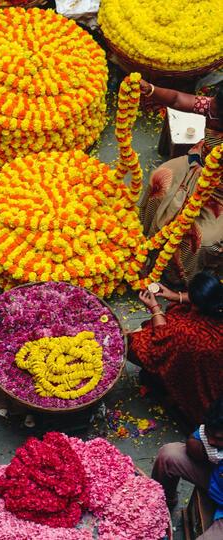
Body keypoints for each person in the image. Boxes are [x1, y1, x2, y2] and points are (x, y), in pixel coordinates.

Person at [139, 80, 223, 287]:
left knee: (202, 239)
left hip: (219, 195)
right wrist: (150, 89)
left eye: (218, 110)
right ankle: (145, 243)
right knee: (160, 178)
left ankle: (177, 276)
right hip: (196, 165)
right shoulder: (212, 107)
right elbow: (177, 99)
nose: (212, 108)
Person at [128, 272, 223, 425]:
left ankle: (161, 383)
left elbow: (161, 337)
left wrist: (154, 308)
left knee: (134, 342)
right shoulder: (217, 303)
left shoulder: (188, 334)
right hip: (215, 366)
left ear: (198, 304)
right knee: (177, 313)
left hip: (198, 376)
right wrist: (174, 296)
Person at [152, 398, 223, 539]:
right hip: (214, 476)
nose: (210, 441)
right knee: (169, 455)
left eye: (217, 438)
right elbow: (194, 439)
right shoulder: (213, 429)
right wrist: (200, 449)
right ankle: (164, 501)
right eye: (209, 435)